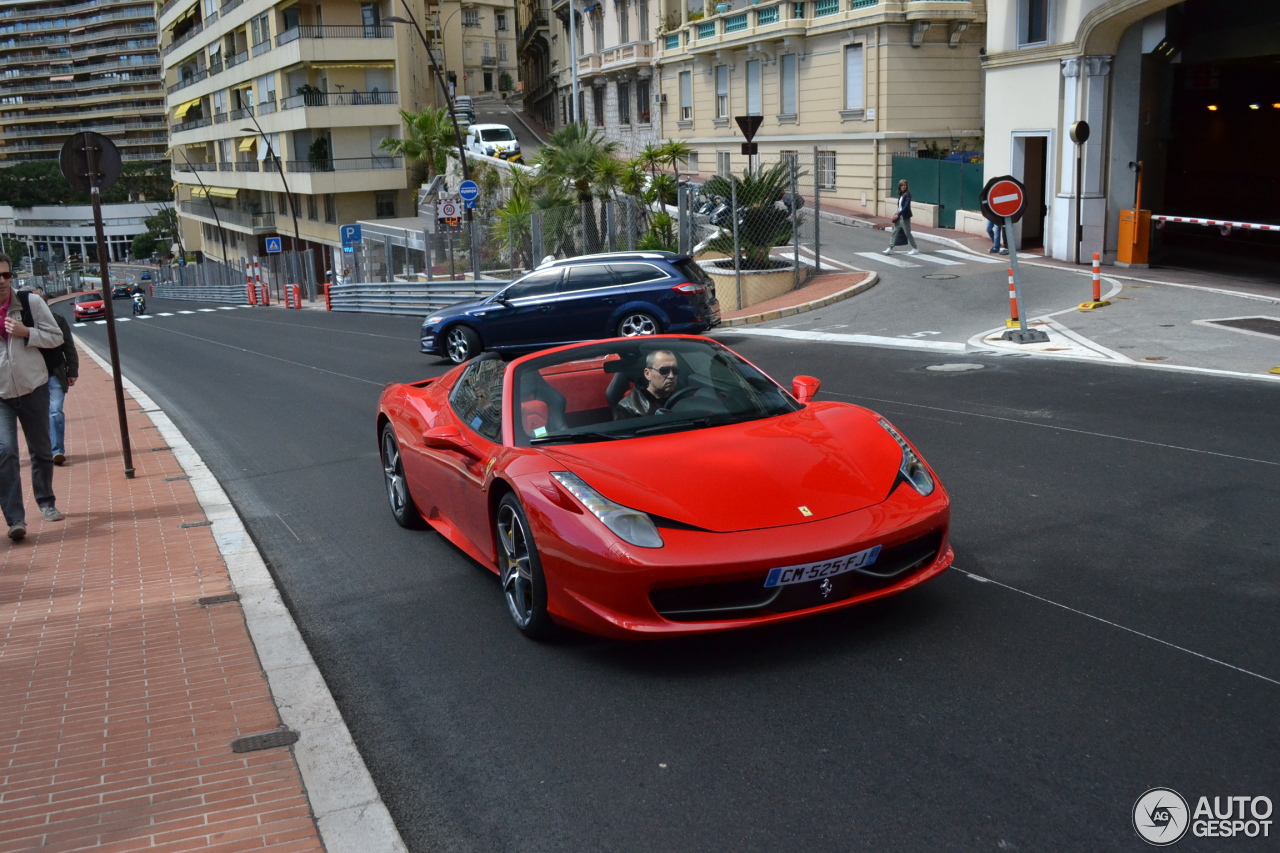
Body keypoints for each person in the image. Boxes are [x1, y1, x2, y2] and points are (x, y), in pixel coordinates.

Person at [0, 253, 65, 541]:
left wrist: (27, 332)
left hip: (34, 387)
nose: (2, 281)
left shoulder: (30, 303)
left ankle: (46, 501)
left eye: (6, 275)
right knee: (5, 452)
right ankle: (15, 519)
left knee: (41, 451)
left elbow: (56, 336)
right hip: (0, 395)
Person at [33, 290, 77, 466]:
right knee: (37, 417)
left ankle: (57, 451)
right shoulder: (22, 322)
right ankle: (43, 450)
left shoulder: (57, 319)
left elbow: (69, 346)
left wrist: (72, 371)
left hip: (55, 374)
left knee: (55, 411)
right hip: (32, 378)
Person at [614, 350, 681, 419]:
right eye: (664, 370)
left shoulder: (684, 396)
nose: (671, 376)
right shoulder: (627, 408)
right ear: (647, 374)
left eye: (675, 370)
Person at [883, 179, 919, 256]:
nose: (903, 186)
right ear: (899, 186)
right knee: (895, 232)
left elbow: (906, 207)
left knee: (907, 233)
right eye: (902, 185)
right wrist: (897, 213)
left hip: (904, 217)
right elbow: (900, 206)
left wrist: (898, 214)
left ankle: (915, 248)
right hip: (899, 216)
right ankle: (890, 248)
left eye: (904, 185)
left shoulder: (908, 195)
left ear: (906, 186)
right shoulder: (901, 195)